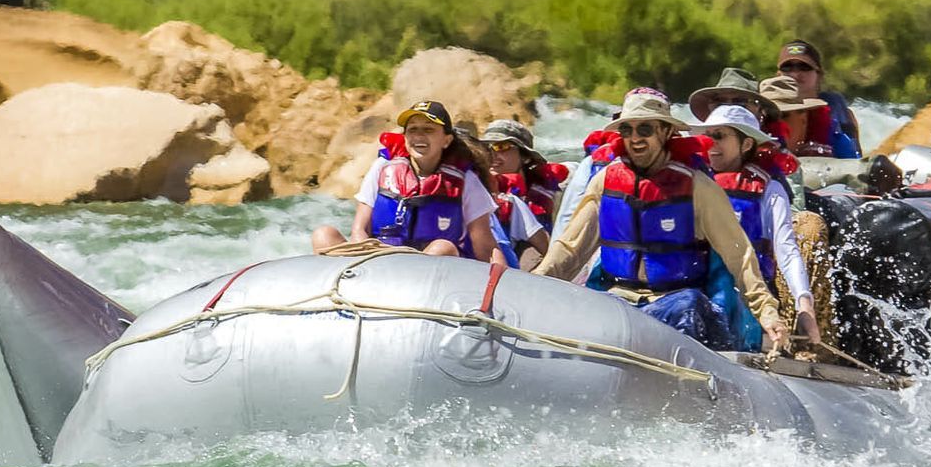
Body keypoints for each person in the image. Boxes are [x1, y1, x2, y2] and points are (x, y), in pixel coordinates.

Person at [537, 89, 788, 352]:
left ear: (666, 132)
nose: (635, 138)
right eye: (627, 130)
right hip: (615, 301)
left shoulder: (698, 188)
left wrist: (767, 311)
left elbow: (740, 257)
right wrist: (536, 281)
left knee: (690, 306)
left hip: (674, 303)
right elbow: (570, 248)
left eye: (645, 129)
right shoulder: (604, 181)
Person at [311, 100, 508, 265]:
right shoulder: (383, 168)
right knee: (324, 235)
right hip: (380, 262)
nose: (419, 136)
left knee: (442, 247)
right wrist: (367, 262)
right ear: (405, 137)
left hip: (436, 275)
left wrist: (504, 284)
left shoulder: (466, 181)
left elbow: (486, 247)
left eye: (428, 130)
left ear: (446, 140)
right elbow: (359, 230)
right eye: (413, 129)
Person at [696, 104, 820, 346]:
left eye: (720, 136)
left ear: (746, 145)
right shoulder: (693, 181)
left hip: (748, 296)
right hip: (697, 286)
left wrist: (804, 303)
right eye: (707, 136)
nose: (711, 144)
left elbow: (786, 248)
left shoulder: (769, 190)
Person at [479, 119, 556, 267]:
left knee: (533, 255)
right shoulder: (473, 187)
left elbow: (546, 245)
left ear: (525, 157)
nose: (492, 155)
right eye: (487, 148)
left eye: (501, 146)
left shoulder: (540, 194)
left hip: (524, 260)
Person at [776, 39, 861, 159]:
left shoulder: (837, 110)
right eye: (787, 67)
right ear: (778, 74)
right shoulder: (766, 110)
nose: (795, 74)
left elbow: (854, 162)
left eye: (804, 67)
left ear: (819, 75)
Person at [759, 74, 827, 156]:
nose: (776, 126)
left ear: (803, 121)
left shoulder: (822, 157)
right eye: (769, 117)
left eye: (784, 116)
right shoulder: (747, 158)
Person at [688, 67, 778, 124]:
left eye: (739, 102)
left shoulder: (777, 150)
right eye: (719, 103)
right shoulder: (697, 150)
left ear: (759, 109)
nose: (729, 108)